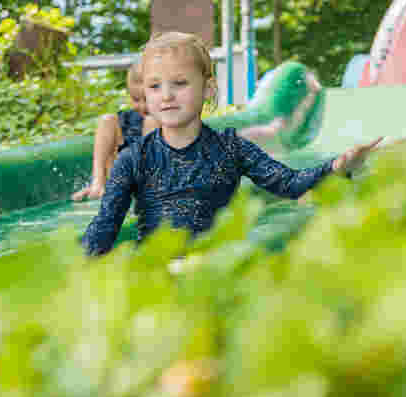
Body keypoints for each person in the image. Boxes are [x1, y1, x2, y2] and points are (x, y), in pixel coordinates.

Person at [81, 31, 382, 256]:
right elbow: (104, 229)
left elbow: (290, 184)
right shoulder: (133, 159)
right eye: (155, 86)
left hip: (217, 261)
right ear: (145, 95)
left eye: (180, 83)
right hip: (160, 270)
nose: (167, 95)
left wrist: (338, 165)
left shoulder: (231, 148)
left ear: (208, 89)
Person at [72, 60, 161, 201]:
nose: (143, 106)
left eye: (147, 98)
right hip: (122, 180)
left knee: (152, 121)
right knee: (106, 120)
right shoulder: (129, 120)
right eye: (136, 99)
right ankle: (98, 183)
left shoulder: (168, 118)